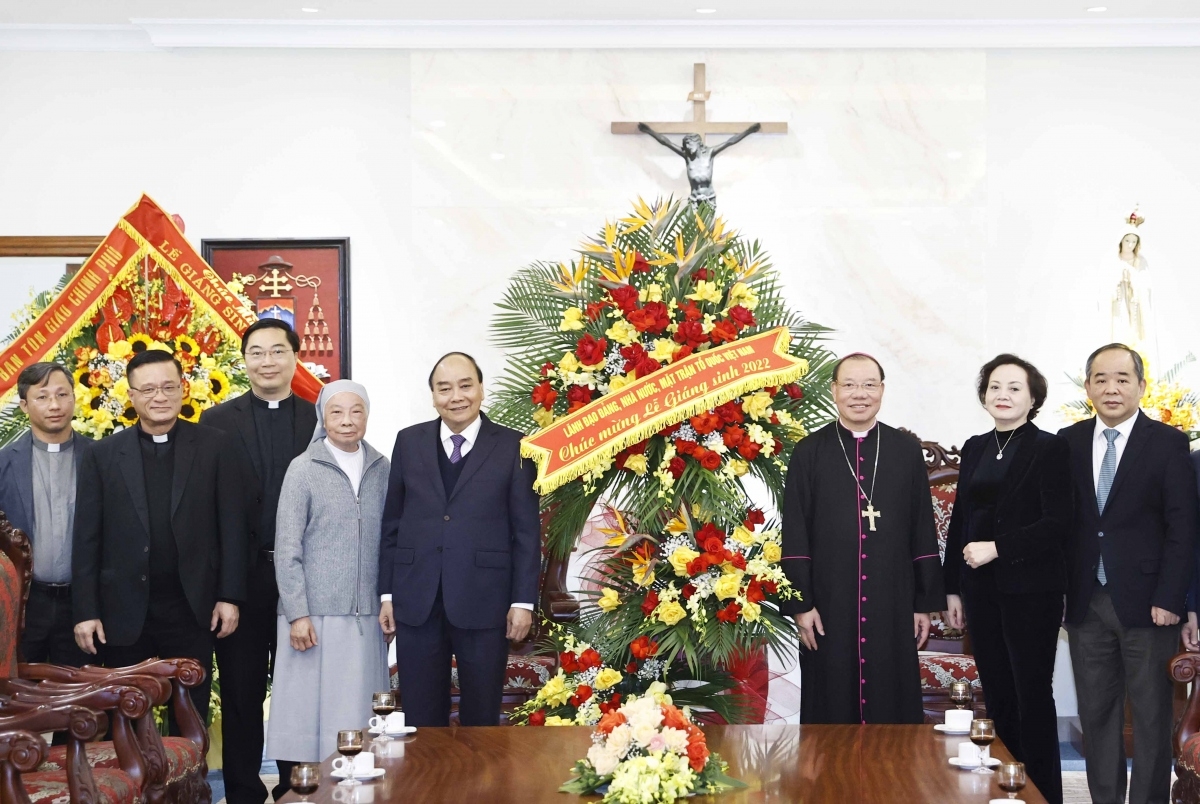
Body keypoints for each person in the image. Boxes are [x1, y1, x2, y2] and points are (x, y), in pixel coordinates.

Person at [72, 348, 246, 724]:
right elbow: (87, 539)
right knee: (130, 718)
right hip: (125, 610)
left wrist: (229, 596)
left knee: (191, 718)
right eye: (148, 389)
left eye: (169, 387)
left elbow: (232, 527)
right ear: (131, 396)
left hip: (192, 607)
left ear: (183, 390)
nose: (160, 397)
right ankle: (136, 785)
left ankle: (191, 785)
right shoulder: (102, 456)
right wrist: (86, 611)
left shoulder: (215, 446)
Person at [1059, 343, 1197, 804]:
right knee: (1096, 716)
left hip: (1149, 605)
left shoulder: (1168, 443)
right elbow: (1062, 525)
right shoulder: (1068, 442)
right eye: (1101, 379)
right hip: (1085, 603)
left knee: (1153, 717)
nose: (1111, 388)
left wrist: (1172, 598)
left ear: (1141, 385)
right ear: (1088, 388)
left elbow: (1183, 528)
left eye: (1122, 378)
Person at [780, 352, 944, 724]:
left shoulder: (904, 451)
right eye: (850, 385)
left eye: (869, 385)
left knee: (893, 699)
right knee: (830, 699)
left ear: (882, 390)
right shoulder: (809, 451)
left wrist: (922, 603)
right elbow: (795, 531)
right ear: (834, 390)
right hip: (828, 601)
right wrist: (801, 605)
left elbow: (922, 527)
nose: (860, 393)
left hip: (893, 599)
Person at [378, 352, 540, 727]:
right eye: (444, 388)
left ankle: (481, 788)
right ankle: (427, 786)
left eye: (465, 385)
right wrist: (387, 594)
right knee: (420, 716)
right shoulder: (408, 441)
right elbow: (392, 523)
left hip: (486, 599)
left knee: (482, 714)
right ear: (433, 395)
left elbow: (526, 532)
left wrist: (522, 602)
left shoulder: (516, 446)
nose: (456, 396)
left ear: (481, 389)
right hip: (417, 599)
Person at [942, 354, 1070, 804]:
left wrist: (999, 548)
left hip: (1032, 590)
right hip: (980, 590)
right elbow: (961, 519)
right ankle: (1006, 789)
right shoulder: (976, 445)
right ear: (983, 395)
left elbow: (1058, 522)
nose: (1004, 395)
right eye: (995, 386)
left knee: (1032, 693)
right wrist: (952, 587)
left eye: (1015, 388)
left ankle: (1043, 793)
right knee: (996, 692)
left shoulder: (1050, 448)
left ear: (1033, 397)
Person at [200, 319, 316, 804]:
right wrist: (223, 588)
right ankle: (243, 792)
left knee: (297, 690)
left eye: (277, 351)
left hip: (302, 583)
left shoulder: (318, 419)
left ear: (295, 358)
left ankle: (297, 786)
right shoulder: (215, 422)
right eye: (256, 352)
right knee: (242, 693)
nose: (267, 361)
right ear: (244, 359)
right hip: (240, 581)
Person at [265, 380, 389, 764]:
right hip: (312, 619)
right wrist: (298, 613)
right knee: (310, 725)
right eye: (337, 411)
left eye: (357, 411)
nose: (347, 421)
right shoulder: (302, 469)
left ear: (367, 415)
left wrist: (387, 600)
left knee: (360, 722)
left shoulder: (383, 468)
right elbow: (287, 548)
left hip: (364, 617)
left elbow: (393, 541)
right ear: (323, 416)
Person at [0, 363, 92, 668]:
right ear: (25, 405)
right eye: (42, 397)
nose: (54, 405)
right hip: (23, 603)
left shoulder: (101, 458)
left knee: (80, 702)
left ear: (74, 398)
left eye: (62, 394)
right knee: (18, 698)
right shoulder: (4, 463)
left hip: (83, 604)